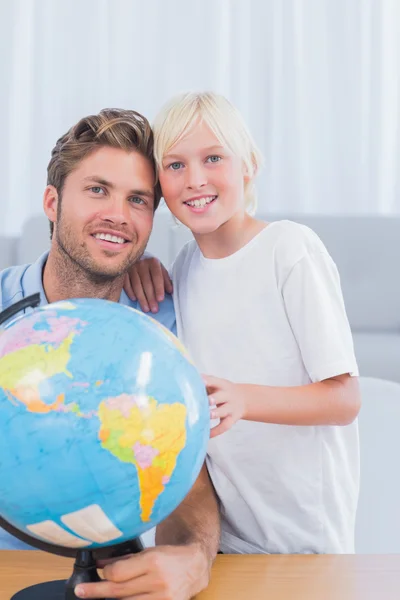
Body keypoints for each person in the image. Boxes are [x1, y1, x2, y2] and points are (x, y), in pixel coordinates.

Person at [125, 91, 362, 556]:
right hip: (226, 539)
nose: (195, 179)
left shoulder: (289, 249)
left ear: (248, 165)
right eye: (174, 166)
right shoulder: (183, 270)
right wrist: (139, 262)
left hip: (305, 543)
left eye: (213, 158)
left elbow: (344, 399)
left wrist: (244, 398)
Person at [0, 108, 220, 600]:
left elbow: (186, 471)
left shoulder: (166, 322)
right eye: (97, 189)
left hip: (113, 581)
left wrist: (195, 558)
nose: (118, 215)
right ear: (52, 203)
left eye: (137, 199)